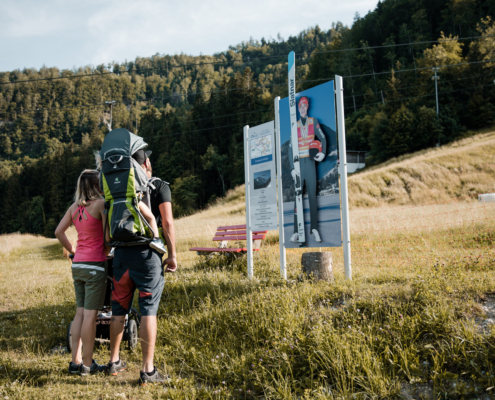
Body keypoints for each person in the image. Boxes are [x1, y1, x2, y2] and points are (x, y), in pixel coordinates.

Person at [106, 149, 176, 385]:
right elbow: (166, 222)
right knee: (148, 309)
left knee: (118, 309)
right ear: (146, 162)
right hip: (147, 256)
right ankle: (147, 370)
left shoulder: (118, 189)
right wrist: (172, 254)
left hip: (121, 254)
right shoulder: (159, 186)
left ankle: (114, 361)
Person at [55, 169, 109, 376]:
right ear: (97, 185)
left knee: (79, 314)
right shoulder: (101, 204)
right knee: (90, 316)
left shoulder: (74, 208)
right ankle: (88, 364)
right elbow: (107, 238)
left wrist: (73, 251)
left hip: (78, 265)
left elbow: (59, 232)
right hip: (95, 264)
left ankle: (75, 361)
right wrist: (106, 250)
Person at [289, 96, 327, 243]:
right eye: (300, 106)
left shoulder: (313, 122)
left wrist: (322, 153)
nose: (303, 108)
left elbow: (322, 138)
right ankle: (296, 231)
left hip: (310, 163)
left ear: (307, 107)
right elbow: (291, 148)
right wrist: (292, 168)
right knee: (297, 197)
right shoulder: (295, 125)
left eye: (305, 106)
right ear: (298, 109)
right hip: (299, 165)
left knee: (312, 196)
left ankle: (314, 229)